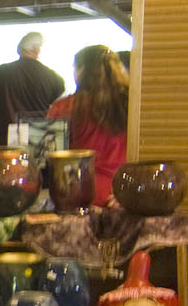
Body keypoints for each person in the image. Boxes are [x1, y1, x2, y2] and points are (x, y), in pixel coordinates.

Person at [46, 43, 131, 204]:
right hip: (123, 191)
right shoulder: (130, 104)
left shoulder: (64, 106)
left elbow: (50, 155)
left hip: (77, 190)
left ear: (82, 70)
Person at [0, 31, 64, 146]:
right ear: (37, 50)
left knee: (4, 164)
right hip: (38, 138)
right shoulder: (54, 78)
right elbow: (57, 110)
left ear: (20, 49)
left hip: (3, 139)